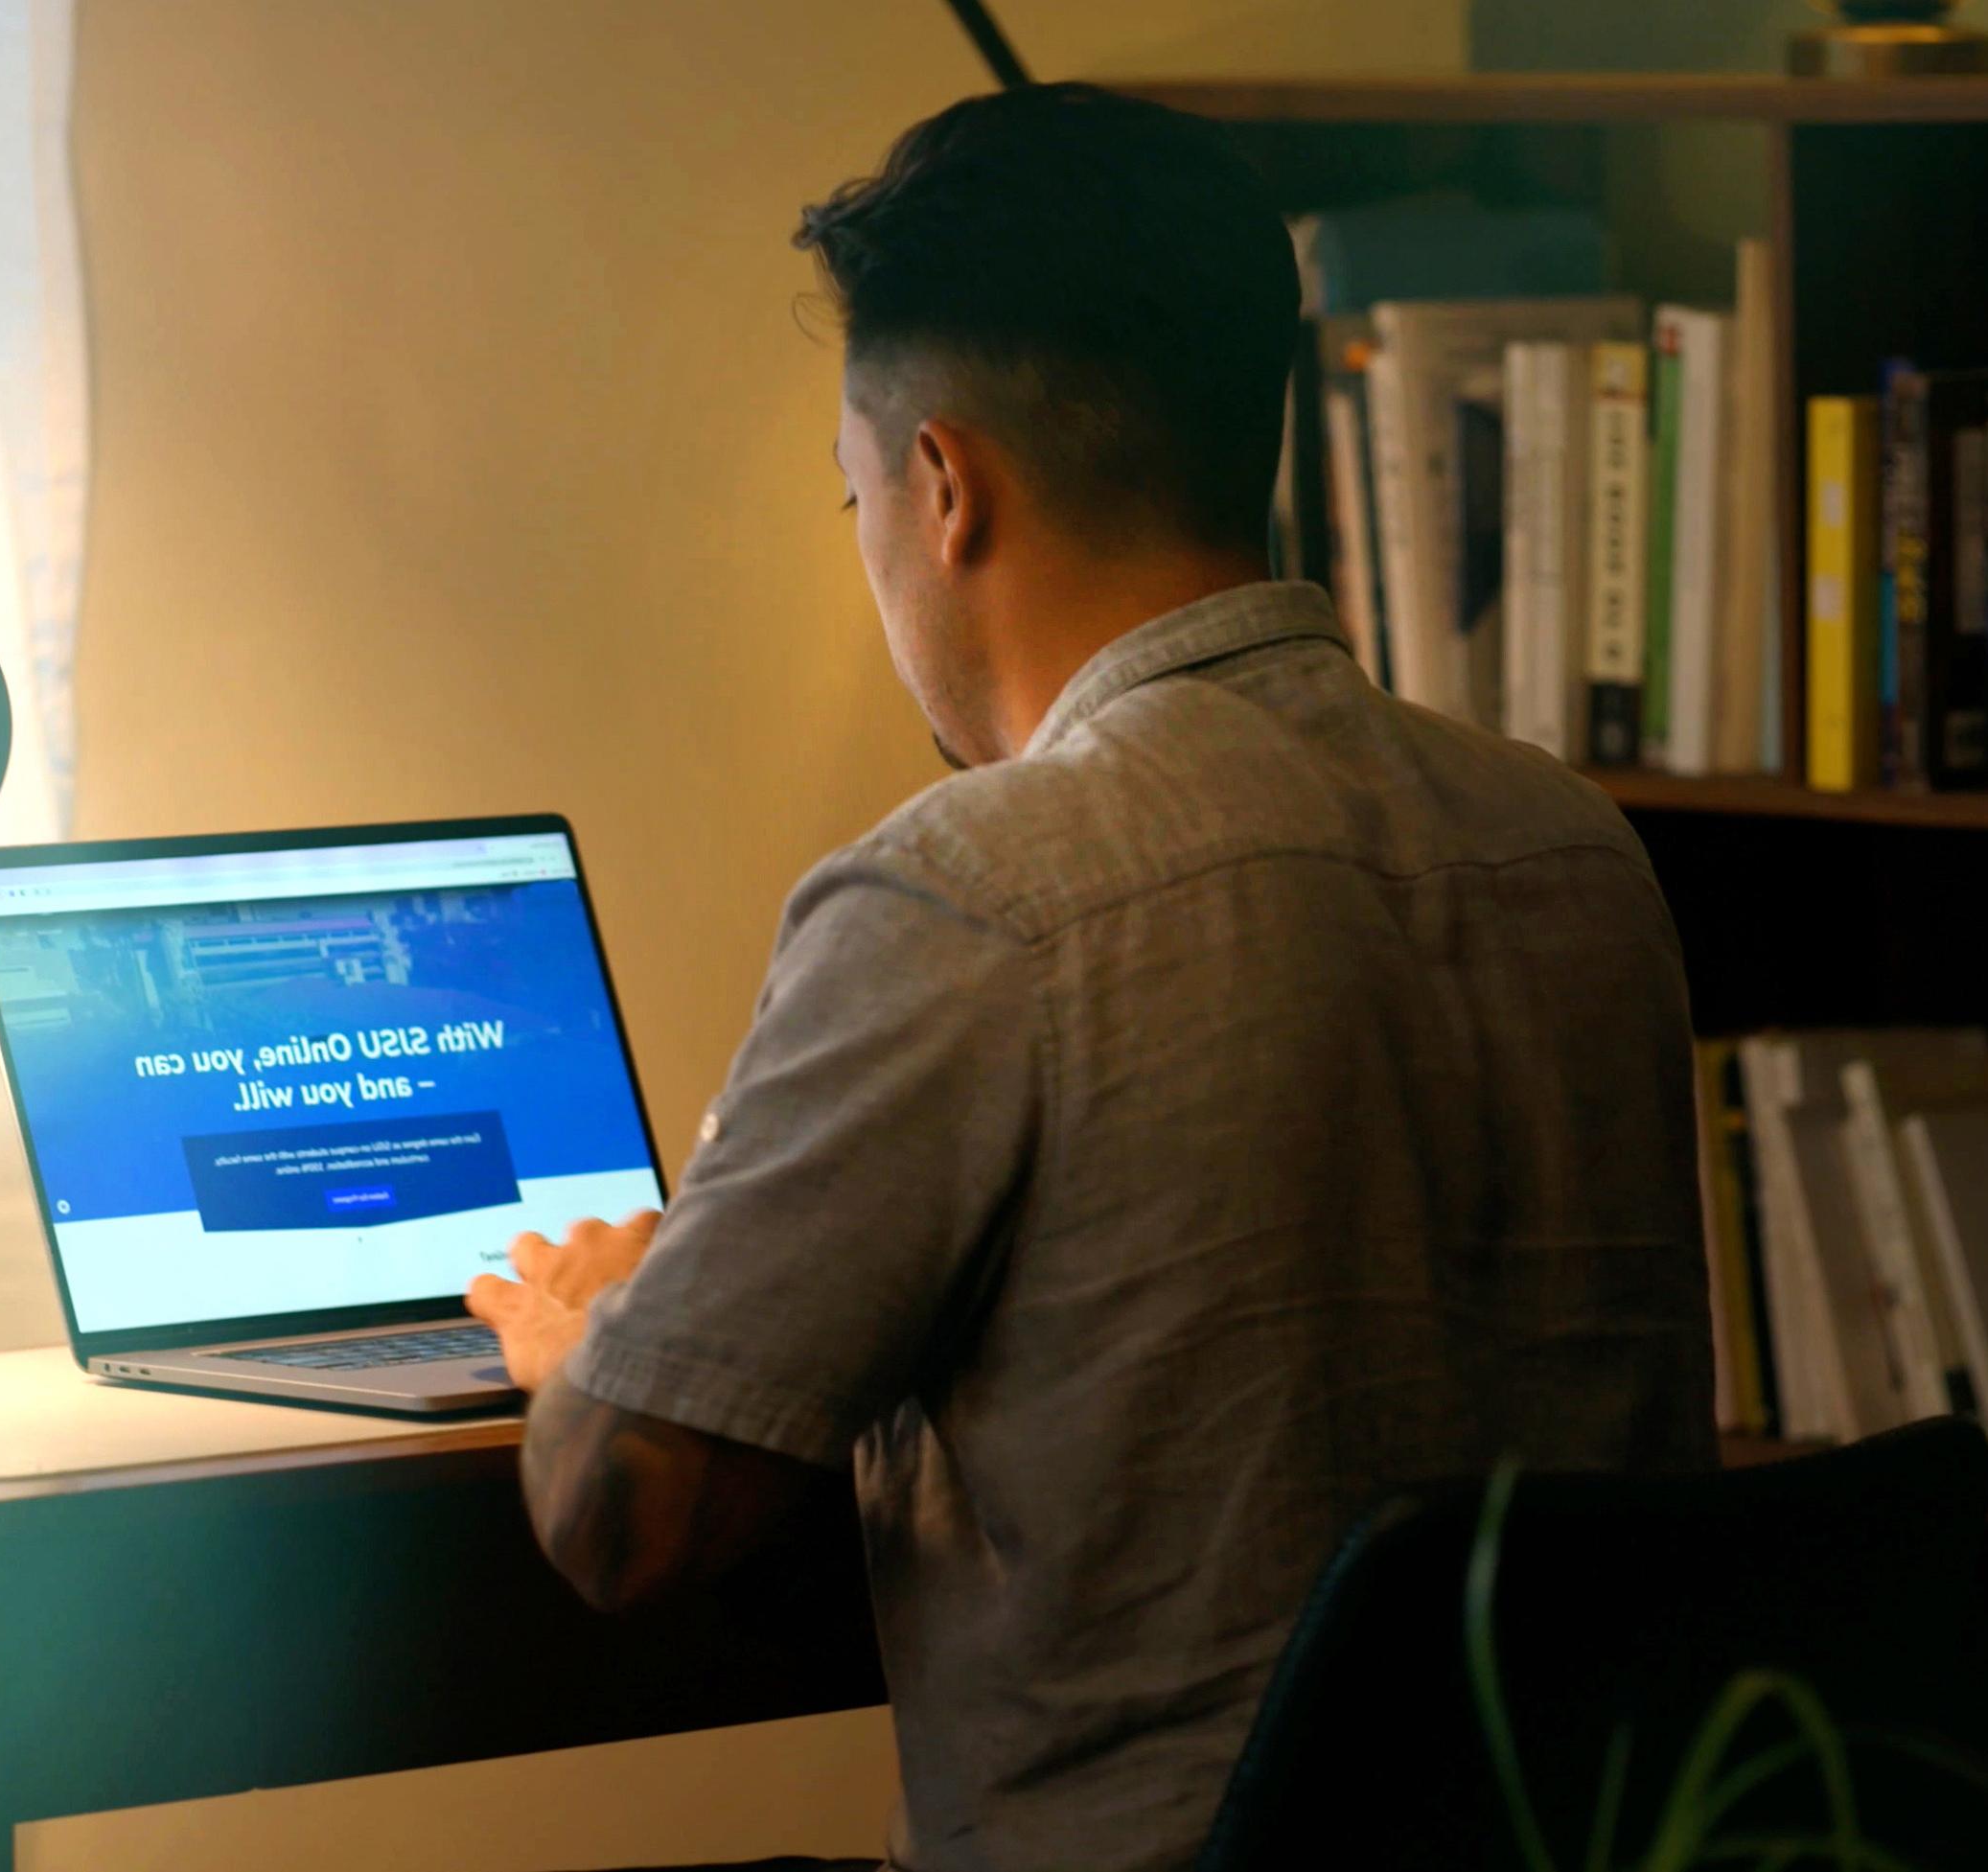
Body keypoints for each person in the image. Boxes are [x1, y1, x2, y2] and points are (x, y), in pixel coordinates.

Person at [465, 81, 1716, 1872]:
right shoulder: (1575, 852)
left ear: (943, 486)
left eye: (855, 501)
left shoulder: (970, 893)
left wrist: (582, 1335)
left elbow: (618, 1515)